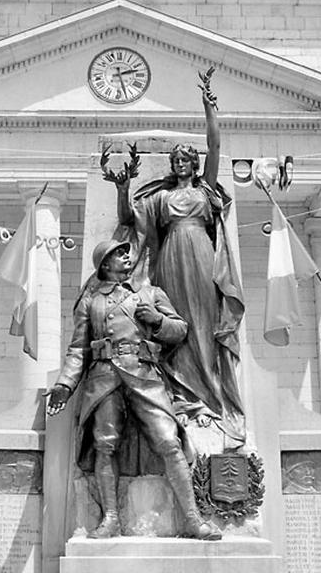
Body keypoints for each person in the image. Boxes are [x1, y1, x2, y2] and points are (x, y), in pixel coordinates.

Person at [104, 68, 246, 445]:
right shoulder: (161, 198)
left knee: (203, 323)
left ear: (194, 165)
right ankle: (182, 395)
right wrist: (123, 188)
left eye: (186, 159)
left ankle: (212, 396)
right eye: (176, 160)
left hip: (201, 257)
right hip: (169, 258)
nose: (180, 163)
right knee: (176, 326)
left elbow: (215, 147)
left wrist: (209, 108)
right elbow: (127, 220)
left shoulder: (204, 190)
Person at [46, 239, 221, 540]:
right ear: (104, 264)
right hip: (104, 376)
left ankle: (193, 519)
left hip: (144, 374)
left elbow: (180, 330)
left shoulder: (150, 293)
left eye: (127, 252)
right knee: (105, 444)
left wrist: (157, 321)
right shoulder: (91, 300)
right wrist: (65, 384)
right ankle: (110, 518)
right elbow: (78, 350)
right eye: (118, 253)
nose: (126, 256)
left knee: (168, 440)